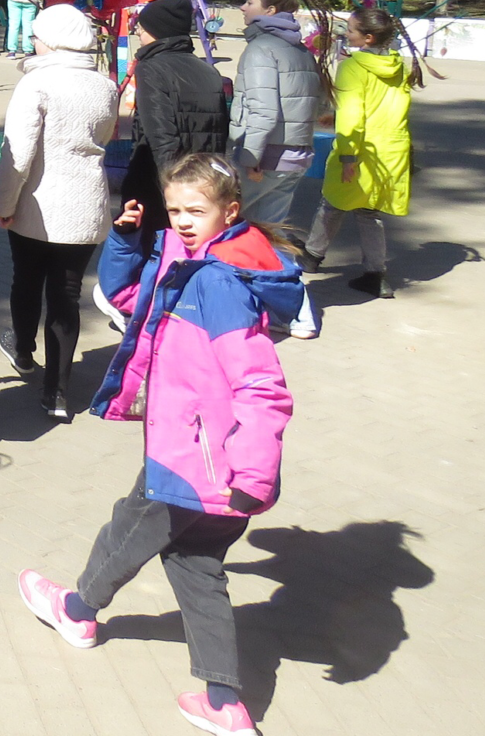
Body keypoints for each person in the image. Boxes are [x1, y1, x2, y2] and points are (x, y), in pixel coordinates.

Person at [18, 153, 299, 736]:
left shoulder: (219, 282)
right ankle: (224, 702)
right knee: (196, 567)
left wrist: (253, 473)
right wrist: (126, 242)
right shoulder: (187, 258)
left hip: (198, 461)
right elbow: (127, 303)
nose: (184, 220)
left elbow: (261, 385)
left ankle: (77, 611)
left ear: (230, 209)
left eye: (196, 210)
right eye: (174, 210)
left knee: (129, 528)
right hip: (202, 455)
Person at [0, 3, 118, 420]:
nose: (33, 40)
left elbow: (17, 155)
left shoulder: (37, 84)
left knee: (26, 281)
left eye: (37, 35)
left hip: (38, 204)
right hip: (86, 205)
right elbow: (106, 136)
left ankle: (24, 352)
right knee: (66, 294)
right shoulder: (105, 85)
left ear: (53, 38)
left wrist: (4, 204)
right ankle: (58, 393)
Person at [302, 5, 417, 298]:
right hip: (389, 150)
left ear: (366, 38)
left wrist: (348, 156)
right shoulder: (398, 65)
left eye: (350, 29)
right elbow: (384, 110)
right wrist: (337, 117)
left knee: (333, 203)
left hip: (360, 148)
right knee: (369, 211)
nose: (345, 33)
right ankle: (375, 273)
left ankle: (312, 256)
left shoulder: (352, 67)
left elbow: (354, 114)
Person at [121, 0, 229, 237]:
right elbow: (220, 132)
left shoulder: (150, 68)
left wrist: (173, 187)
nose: (138, 31)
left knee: (151, 254)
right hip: (203, 181)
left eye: (143, 25)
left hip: (159, 182)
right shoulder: (208, 70)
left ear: (158, 30)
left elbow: (160, 134)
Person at [229, 0, 325, 232]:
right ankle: (279, 271)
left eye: (250, 3)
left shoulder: (261, 49)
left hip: (263, 157)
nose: (242, 7)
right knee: (270, 231)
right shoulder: (301, 50)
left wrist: (250, 157)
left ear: (270, 10)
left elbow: (264, 110)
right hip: (295, 157)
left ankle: (239, 272)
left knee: (231, 226)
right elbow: (317, 104)